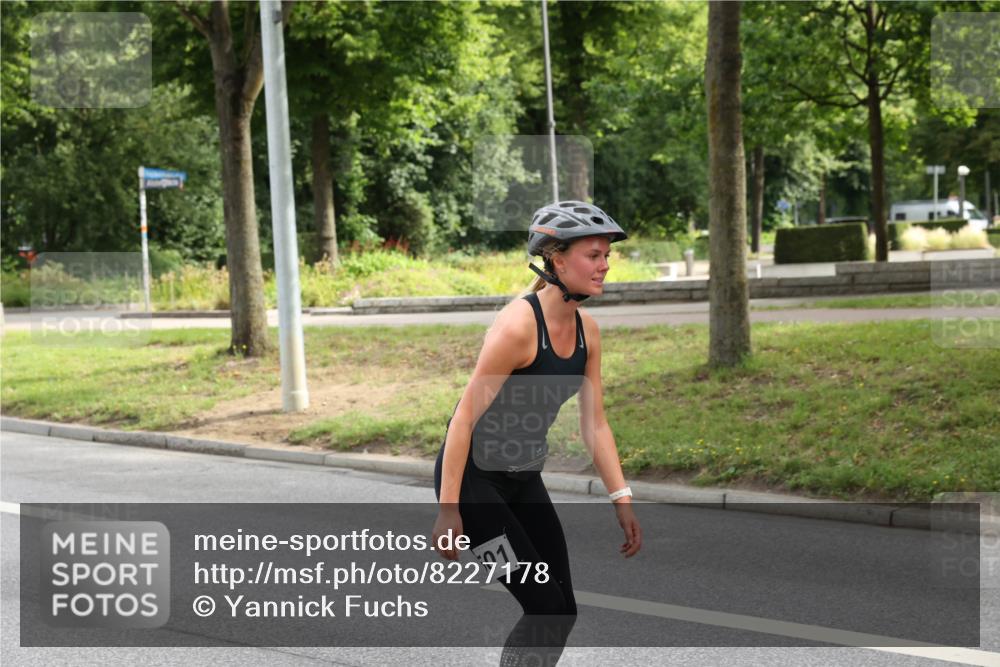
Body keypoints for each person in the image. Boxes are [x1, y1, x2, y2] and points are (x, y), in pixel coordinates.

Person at [432, 200, 643, 666]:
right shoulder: (518, 327)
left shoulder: (588, 330)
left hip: (522, 481)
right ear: (556, 257)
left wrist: (621, 497)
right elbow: (462, 420)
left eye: (607, 255)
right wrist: (449, 512)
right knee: (543, 604)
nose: (605, 265)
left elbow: (595, 423)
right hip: (472, 489)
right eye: (594, 255)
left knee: (560, 609)